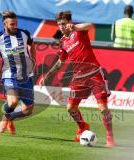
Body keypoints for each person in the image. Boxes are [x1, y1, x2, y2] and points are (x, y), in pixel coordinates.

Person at [39, 11, 115, 147]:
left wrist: (76, 27)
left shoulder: (79, 30)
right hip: (79, 78)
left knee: (103, 108)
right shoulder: (63, 42)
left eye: (63, 23)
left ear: (69, 22)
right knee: (71, 108)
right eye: (59, 24)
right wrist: (48, 75)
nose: (61, 26)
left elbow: (91, 25)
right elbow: (60, 62)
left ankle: (110, 137)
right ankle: (83, 126)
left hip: (94, 73)